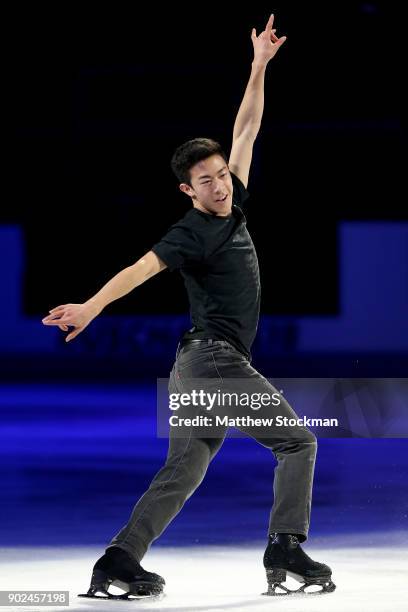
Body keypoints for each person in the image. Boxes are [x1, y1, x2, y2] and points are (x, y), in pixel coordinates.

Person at [42, 14, 335, 599]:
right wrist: (92, 307)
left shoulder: (236, 201)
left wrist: (258, 66)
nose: (221, 186)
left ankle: (118, 561)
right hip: (216, 361)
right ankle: (285, 545)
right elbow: (139, 270)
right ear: (188, 190)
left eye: (223, 175)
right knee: (298, 443)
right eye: (207, 181)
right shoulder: (191, 232)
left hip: (194, 366)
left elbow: (247, 127)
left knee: (186, 467)